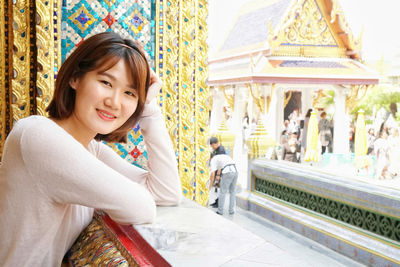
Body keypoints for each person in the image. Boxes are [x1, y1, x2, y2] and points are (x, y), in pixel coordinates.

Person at [0, 32, 182, 266]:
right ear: (75, 78)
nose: (114, 102)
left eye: (130, 93)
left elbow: (165, 192)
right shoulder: (37, 135)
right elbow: (141, 207)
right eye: (106, 83)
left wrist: (150, 111)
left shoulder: (90, 149)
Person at [209, 136, 226, 207]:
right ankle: (217, 201)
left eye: (212, 146)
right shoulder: (217, 149)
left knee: (221, 188)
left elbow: (220, 163)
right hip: (218, 171)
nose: (212, 148)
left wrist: (218, 175)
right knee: (218, 188)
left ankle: (219, 203)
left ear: (215, 144)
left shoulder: (221, 150)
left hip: (221, 172)